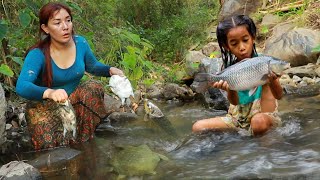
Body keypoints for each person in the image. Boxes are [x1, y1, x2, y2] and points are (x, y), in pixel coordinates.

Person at [16, 2, 124, 150]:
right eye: (57, 23)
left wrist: (110, 69)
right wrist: (50, 92)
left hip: (71, 99)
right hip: (44, 106)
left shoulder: (80, 43)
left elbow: (92, 66)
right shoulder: (37, 54)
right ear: (45, 28)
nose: (65, 26)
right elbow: (22, 86)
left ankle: (84, 139)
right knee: (53, 150)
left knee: (92, 88)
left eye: (68, 20)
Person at [192, 15, 283, 136]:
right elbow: (234, 102)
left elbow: (279, 95)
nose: (242, 48)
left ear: (253, 37)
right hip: (237, 120)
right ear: (226, 46)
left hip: (264, 118)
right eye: (234, 43)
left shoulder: (265, 63)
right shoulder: (229, 70)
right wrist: (229, 89)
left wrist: (273, 80)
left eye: (245, 40)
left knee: (258, 122)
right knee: (198, 127)